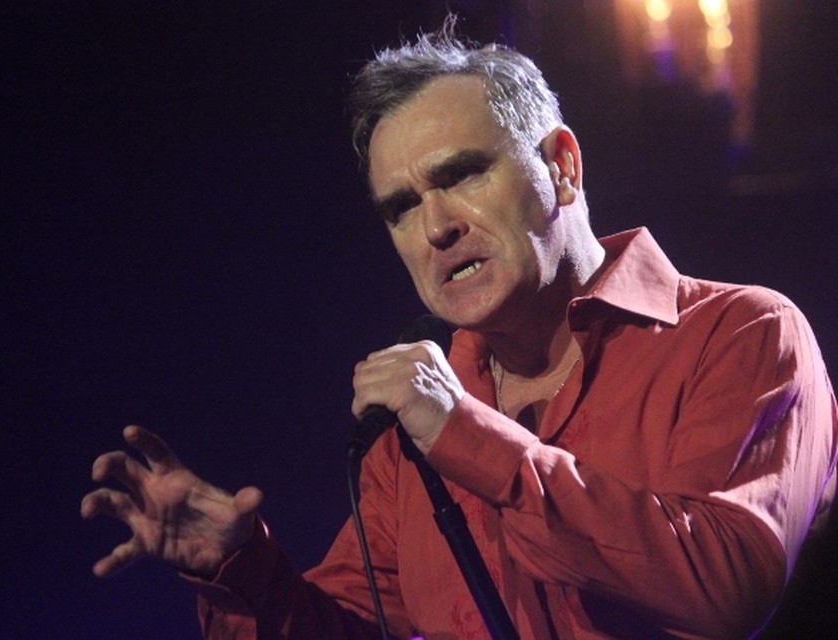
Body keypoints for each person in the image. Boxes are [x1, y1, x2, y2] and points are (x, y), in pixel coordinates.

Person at [81, 21, 838, 639]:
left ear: (562, 167)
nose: (436, 228)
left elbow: (726, 590)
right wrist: (239, 570)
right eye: (401, 207)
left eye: (462, 175)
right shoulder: (410, 437)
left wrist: (467, 437)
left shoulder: (742, 334)